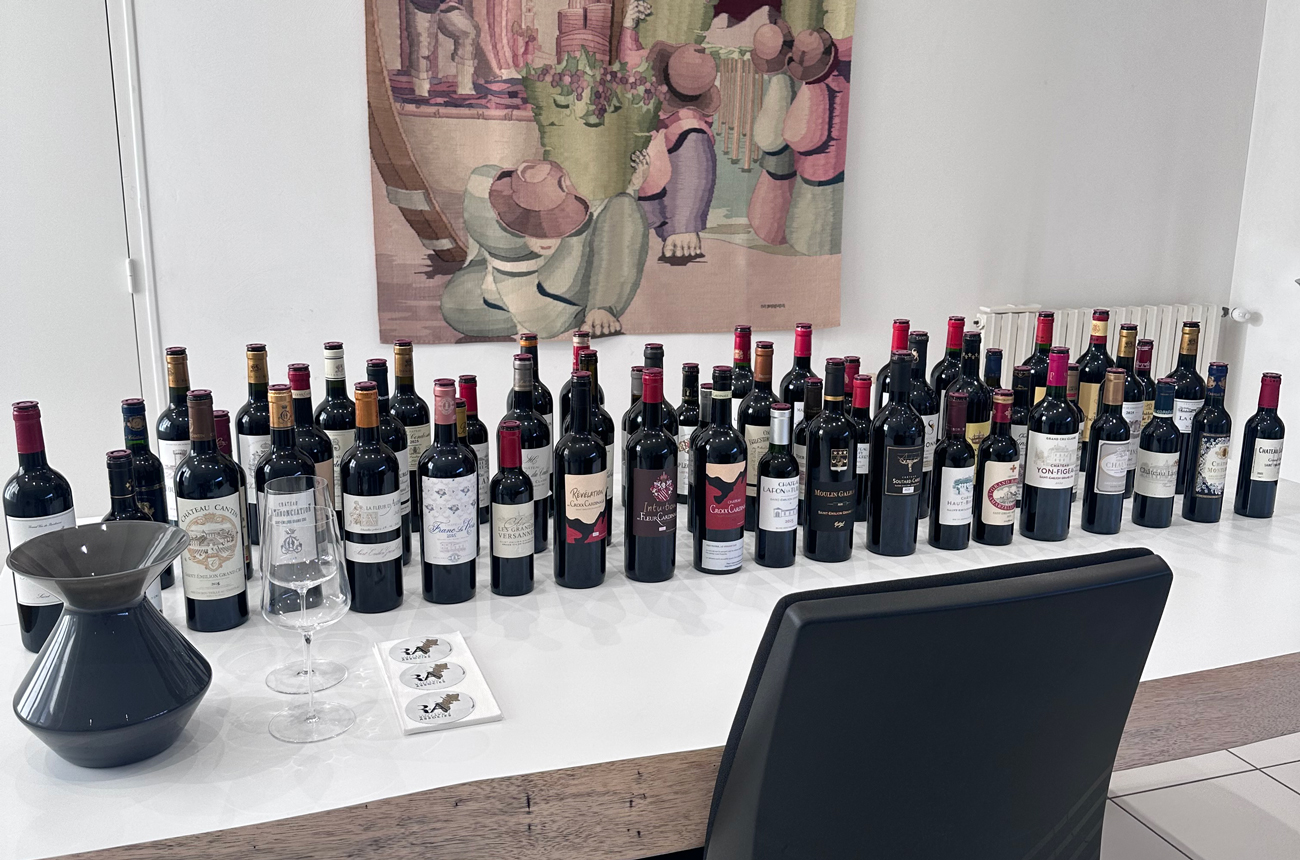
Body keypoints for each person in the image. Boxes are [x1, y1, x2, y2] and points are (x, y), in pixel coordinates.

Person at [441, 158, 651, 339]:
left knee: (623, 206)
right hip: (505, 286)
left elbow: (619, 228)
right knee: (484, 175)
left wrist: (603, 306)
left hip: (561, 292)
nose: (544, 231)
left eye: (553, 221)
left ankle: (600, 310)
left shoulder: (588, 217)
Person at [619, 3, 720, 261]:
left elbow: (695, 176)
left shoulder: (690, 126)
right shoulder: (652, 84)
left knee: (693, 146)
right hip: (644, 200)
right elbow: (631, 61)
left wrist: (684, 227)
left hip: (660, 209)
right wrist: (629, 28)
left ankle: (679, 230)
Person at [782, 28, 849, 257]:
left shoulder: (816, 89)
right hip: (835, 170)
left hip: (820, 175)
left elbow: (801, 136)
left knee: (815, 242)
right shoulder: (845, 65)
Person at [746, 20, 799, 247]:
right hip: (787, 155)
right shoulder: (786, 79)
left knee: (770, 219)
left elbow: (769, 136)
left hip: (781, 157)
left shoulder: (780, 81)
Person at [404, 0, 482, 97]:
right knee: (422, 48)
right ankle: (421, 93)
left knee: (469, 32)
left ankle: (465, 89)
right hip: (420, 4)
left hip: (445, 3)